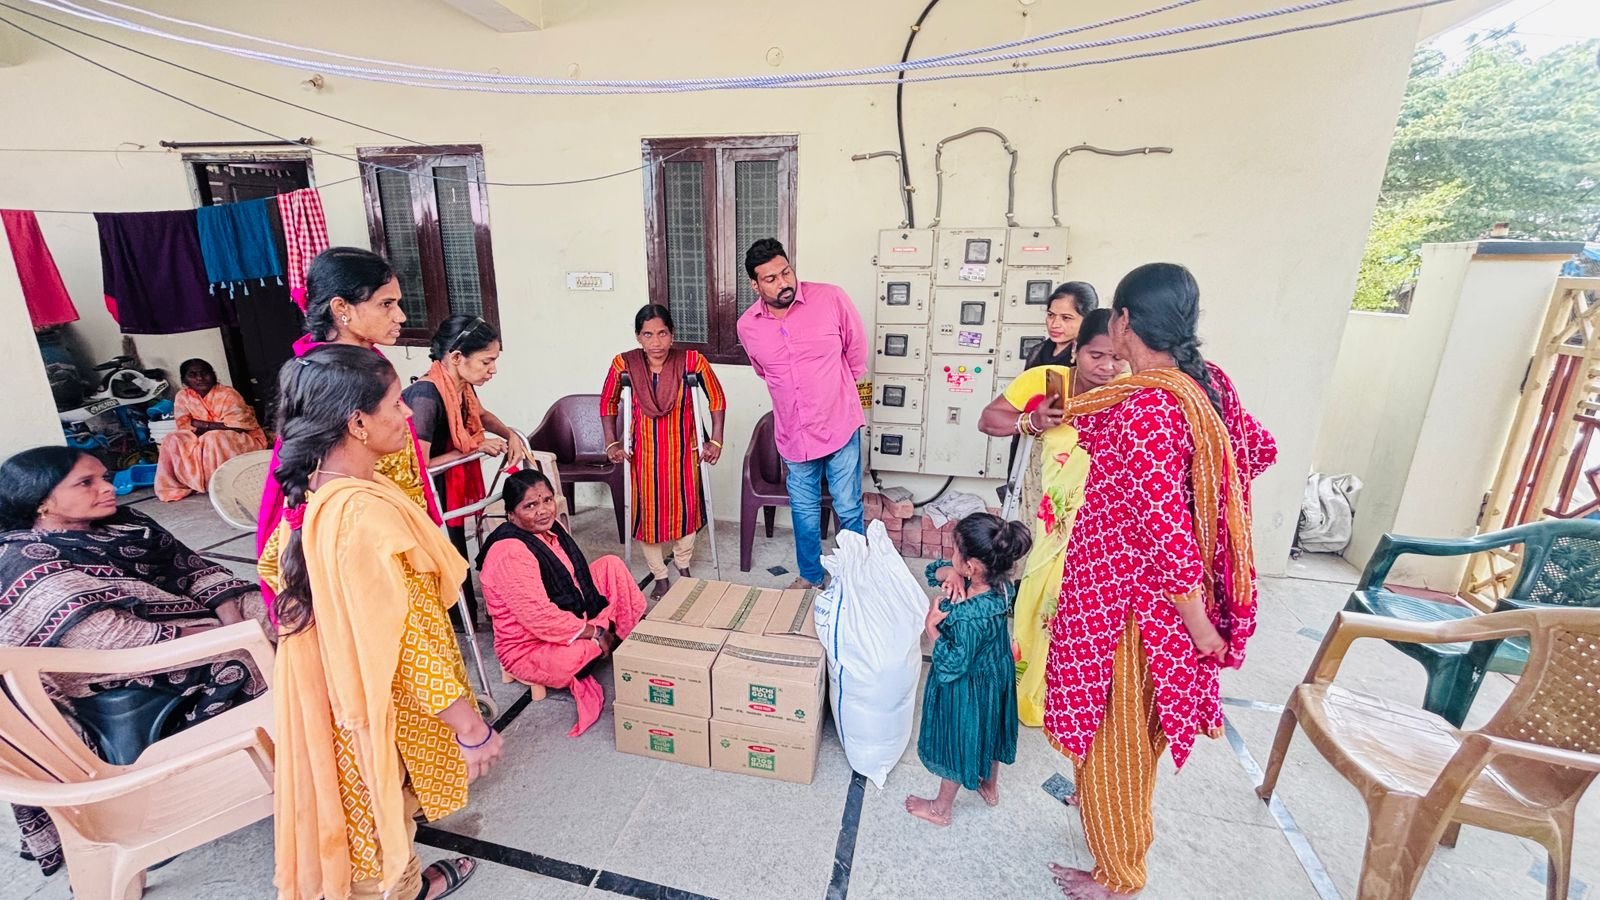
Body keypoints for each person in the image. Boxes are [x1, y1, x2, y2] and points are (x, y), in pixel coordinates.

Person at [1042, 263, 1276, 899]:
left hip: (1127, 607)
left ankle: (1119, 879)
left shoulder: (1149, 407)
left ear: (1122, 322)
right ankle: (1116, 842)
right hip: (1146, 602)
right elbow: (1257, 452)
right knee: (1129, 736)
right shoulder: (1205, 387)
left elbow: (1164, 532)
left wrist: (1200, 624)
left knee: (1113, 737)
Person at [260, 344, 499, 900]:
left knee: (357, 801)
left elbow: (276, 570)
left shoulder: (321, 490)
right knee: (379, 797)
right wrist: (470, 727)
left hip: (333, 688)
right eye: (397, 403)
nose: (410, 413)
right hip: (375, 694)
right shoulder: (366, 515)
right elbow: (410, 645)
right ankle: (400, 890)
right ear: (358, 422)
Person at [0, 446, 268, 878]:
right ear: (41, 500)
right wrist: (235, 636)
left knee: (290, 610)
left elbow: (192, 568)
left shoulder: (128, 524)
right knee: (257, 653)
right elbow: (114, 641)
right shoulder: (27, 559)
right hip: (127, 672)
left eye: (104, 476)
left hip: (194, 623)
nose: (107, 488)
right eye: (86, 483)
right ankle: (293, 739)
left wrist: (231, 610)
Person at [255, 247, 441, 618]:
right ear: (342, 308)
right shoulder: (326, 377)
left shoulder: (369, 359)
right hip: (364, 552)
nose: (400, 316)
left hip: (398, 533)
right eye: (386, 304)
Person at [977, 309, 1124, 727]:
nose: (1107, 367)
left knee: (1077, 616)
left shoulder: (1126, 392)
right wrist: (1032, 420)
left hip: (1097, 523)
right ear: (1076, 350)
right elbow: (988, 419)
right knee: (1039, 606)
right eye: (1097, 356)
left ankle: (1069, 697)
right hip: (1046, 519)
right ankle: (1028, 696)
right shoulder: (1049, 382)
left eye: (1117, 358)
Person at [735, 238, 867, 589]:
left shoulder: (831, 298)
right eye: (771, 279)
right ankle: (810, 575)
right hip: (794, 432)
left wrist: (833, 392)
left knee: (848, 504)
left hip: (839, 423)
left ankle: (855, 576)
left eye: (786, 272)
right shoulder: (748, 326)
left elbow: (856, 352)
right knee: (804, 511)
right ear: (755, 285)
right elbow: (764, 370)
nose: (783, 283)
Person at [477, 470, 647, 736]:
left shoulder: (550, 526)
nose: (543, 510)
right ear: (511, 514)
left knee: (611, 566)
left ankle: (616, 634)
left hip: (568, 611)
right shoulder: (509, 552)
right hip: (529, 644)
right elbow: (541, 619)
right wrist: (596, 631)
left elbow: (573, 578)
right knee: (578, 654)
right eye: (530, 506)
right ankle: (607, 633)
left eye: (547, 500)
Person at [905, 513, 1031, 828]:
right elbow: (938, 571)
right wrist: (955, 574)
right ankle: (989, 786)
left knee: (959, 741)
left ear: (972, 564)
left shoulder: (966, 616)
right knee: (991, 728)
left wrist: (931, 627)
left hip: (966, 689)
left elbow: (951, 663)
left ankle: (940, 809)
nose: (951, 557)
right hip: (995, 678)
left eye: (955, 553)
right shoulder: (1002, 589)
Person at [404, 315, 532, 626]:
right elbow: (417, 467)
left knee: (457, 549)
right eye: (487, 361)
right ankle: (456, 621)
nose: (493, 369)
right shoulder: (426, 395)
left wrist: (509, 435)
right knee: (445, 556)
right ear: (458, 357)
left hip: (451, 488)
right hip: (426, 496)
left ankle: (465, 617)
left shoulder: (461, 387)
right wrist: (474, 448)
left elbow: (482, 416)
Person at [599, 305, 727, 599]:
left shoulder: (692, 360)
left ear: (672, 335)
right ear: (637, 337)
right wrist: (612, 443)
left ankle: (682, 565)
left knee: (686, 510)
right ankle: (659, 574)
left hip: (684, 451)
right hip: (643, 454)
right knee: (648, 516)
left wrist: (716, 440)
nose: (655, 343)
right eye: (648, 335)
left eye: (662, 334)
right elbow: (608, 403)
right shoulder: (624, 364)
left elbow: (717, 399)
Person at [999, 282, 1099, 489]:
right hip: (1029, 436)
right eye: (1051, 315)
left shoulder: (1086, 358)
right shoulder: (1038, 352)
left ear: (1087, 320)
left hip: (1063, 447)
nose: (1055, 324)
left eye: (1066, 318)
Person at [154, 358, 269, 502]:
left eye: (205, 373)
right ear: (185, 380)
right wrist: (208, 426)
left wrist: (203, 425)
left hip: (243, 438)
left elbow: (238, 426)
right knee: (172, 438)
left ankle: (220, 485)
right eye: (193, 374)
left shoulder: (228, 394)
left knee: (213, 438)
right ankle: (175, 486)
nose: (200, 378)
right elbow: (184, 425)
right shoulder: (183, 396)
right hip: (201, 437)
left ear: (213, 374)